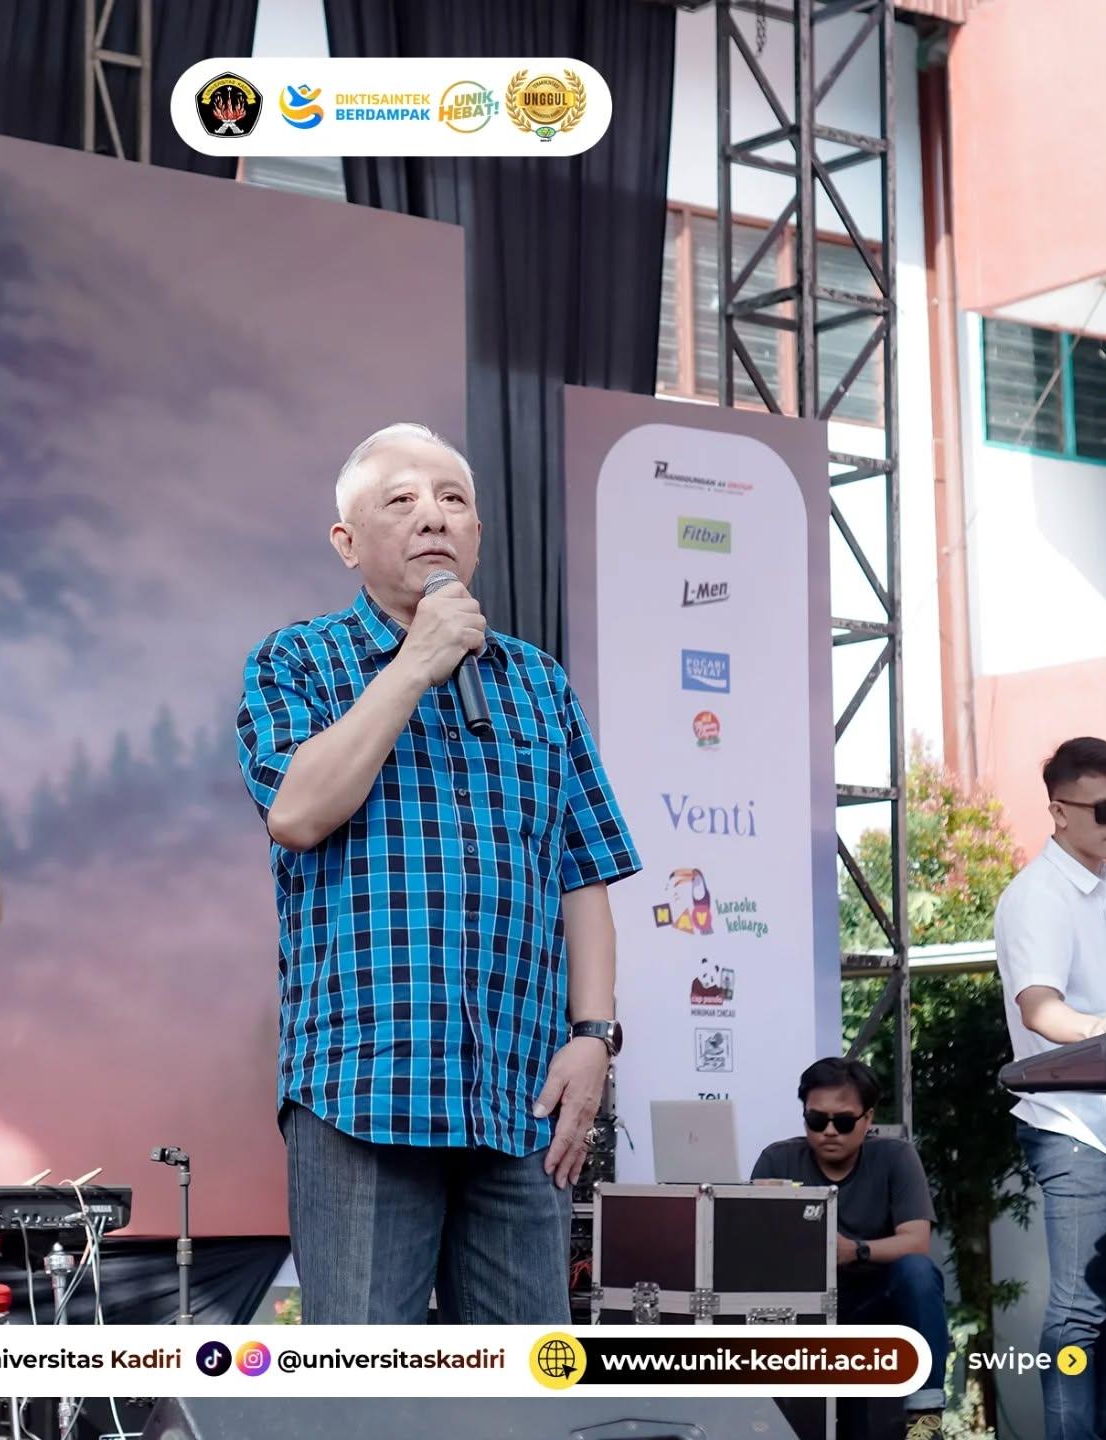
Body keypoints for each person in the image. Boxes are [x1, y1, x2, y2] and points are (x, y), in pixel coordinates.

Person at [235, 422, 641, 1324]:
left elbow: (585, 874)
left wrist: (593, 1037)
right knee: (367, 1382)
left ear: (478, 535)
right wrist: (418, 660)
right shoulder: (297, 661)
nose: (434, 517)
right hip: (364, 1086)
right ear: (347, 542)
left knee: (526, 1382)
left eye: (453, 499)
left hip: (518, 1093)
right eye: (403, 501)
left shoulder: (537, 683)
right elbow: (298, 811)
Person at [994, 736, 1106, 1440]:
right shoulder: (1037, 897)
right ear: (1059, 812)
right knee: (1078, 1314)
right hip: (1074, 1129)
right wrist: (1105, 1027)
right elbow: (1041, 1010)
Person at [751, 1057, 947, 1436]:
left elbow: (916, 1241)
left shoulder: (896, 1157)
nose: (829, 1131)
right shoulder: (778, 1160)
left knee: (918, 1273)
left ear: (867, 1118)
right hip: (804, 1309)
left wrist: (854, 1251)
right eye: (816, 1120)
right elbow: (754, 1246)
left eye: (842, 1122)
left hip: (875, 1302)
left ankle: (925, 1414)